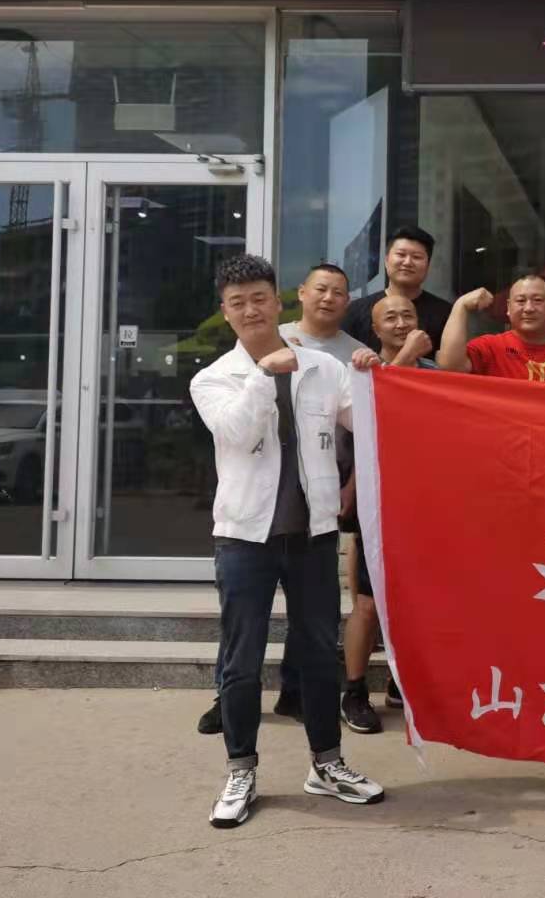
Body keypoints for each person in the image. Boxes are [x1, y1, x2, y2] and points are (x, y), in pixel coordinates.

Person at [191, 254, 383, 829]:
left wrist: (374, 374)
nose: (251, 310)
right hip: (243, 539)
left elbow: (369, 424)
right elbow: (235, 432)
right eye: (238, 303)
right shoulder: (212, 378)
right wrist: (263, 374)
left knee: (320, 654)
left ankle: (327, 763)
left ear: (279, 302)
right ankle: (240, 769)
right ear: (225, 312)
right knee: (241, 660)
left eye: (259, 299)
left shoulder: (324, 367)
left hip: (313, 536)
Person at [337, 294, 439, 735]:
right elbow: (376, 420)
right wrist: (406, 356)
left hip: (426, 504)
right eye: (390, 318)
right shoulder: (363, 371)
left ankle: (403, 684)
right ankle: (354, 690)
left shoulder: (438, 376)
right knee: (366, 602)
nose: (400, 323)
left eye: (407, 316)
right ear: (375, 330)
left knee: (419, 599)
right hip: (378, 504)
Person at [438, 275, 545, 381]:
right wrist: (460, 306)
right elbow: (450, 366)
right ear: (509, 308)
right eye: (521, 301)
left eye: (538, 300)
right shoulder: (491, 347)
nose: (529, 308)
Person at [343, 226, 454, 352]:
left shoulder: (447, 314)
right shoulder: (356, 311)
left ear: (428, 265)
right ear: (386, 260)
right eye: (401, 254)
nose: (407, 262)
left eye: (416, 257)